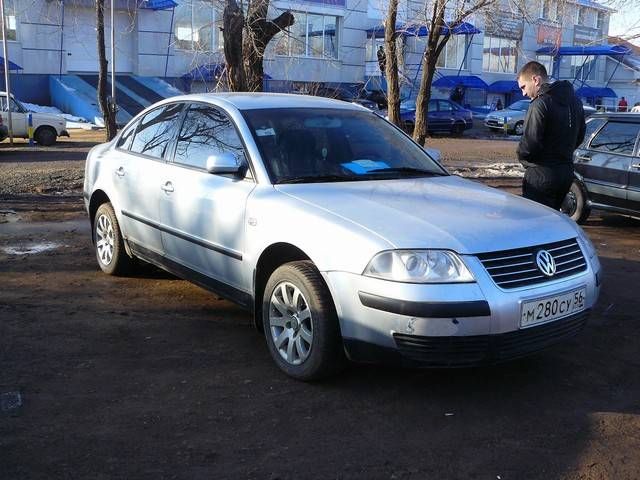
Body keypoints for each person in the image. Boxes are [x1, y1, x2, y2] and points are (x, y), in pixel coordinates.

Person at [516, 61, 586, 210]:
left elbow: (529, 144)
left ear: (536, 80)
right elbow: (580, 135)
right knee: (552, 220)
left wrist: (523, 159)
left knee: (535, 222)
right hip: (565, 174)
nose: (523, 93)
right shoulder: (576, 102)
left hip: (541, 176)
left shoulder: (540, 103)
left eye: (523, 87)